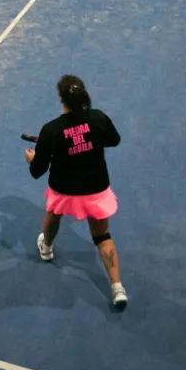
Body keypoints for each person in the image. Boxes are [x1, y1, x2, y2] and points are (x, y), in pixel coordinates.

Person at [24, 74, 128, 310]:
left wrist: (31, 158)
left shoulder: (51, 131)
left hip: (65, 190)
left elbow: (37, 171)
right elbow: (114, 140)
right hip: (96, 189)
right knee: (103, 237)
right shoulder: (98, 117)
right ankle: (117, 288)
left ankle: (47, 248)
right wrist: (91, 141)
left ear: (61, 98)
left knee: (53, 214)